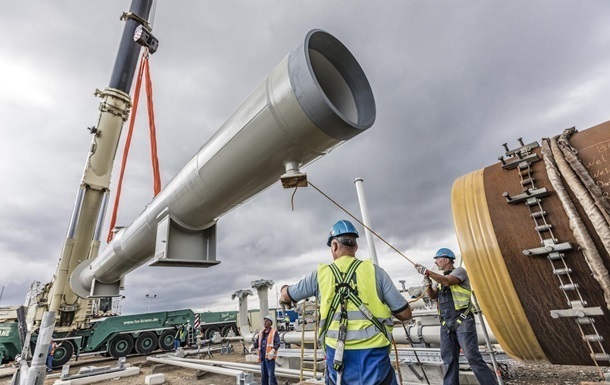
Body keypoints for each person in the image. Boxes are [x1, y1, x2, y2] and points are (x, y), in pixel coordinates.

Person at [280, 220, 412, 385]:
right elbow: (405, 314)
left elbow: (287, 295)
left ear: (334, 245)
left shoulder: (319, 276)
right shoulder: (376, 273)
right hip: (374, 356)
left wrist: (283, 290)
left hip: (338, 356)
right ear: (355, 247)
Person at [414, 248, 497, 385]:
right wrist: (428, 284)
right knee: (448, 359)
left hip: (462, 320)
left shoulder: (459, 272)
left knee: (473, 357)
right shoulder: (438, 279)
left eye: (438, 259)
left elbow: (448, 281)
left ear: (446, 260)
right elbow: (433, 296)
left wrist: (428, 272)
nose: (436, 262)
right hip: (446, 324)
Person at [252, 314, 280, 385]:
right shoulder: (261, 333)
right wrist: (253, 346)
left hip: (270, 358)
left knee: (271, 375)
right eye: (264, 321)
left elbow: (277, 343)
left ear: (270, 323)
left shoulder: (274, 332)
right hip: (262, 357)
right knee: (264, 376)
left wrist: (273, 350)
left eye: (267, 321)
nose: (265, 323)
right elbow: (258, 343)